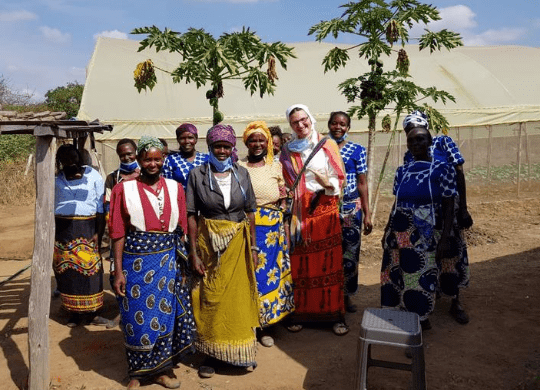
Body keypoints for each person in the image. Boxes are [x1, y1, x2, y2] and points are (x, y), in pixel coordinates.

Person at [109, 136, 195, 389]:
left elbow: (180, 230)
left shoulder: (175, 187)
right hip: (135, 263)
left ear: (163, 159)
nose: (153, 164)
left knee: (165, 317)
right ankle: (137, 372)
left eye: (158, 159)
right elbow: (117, 232)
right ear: (139, 159)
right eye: (148, 159)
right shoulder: (122, 189)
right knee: (136, 319)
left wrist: (182, 265)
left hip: (168, 261)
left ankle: (162, 370)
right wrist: (118, 271)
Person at [186, 124, 259, 377]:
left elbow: (250, 212)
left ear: (232, 148)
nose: (222, 150)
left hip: (238, 245)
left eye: (226, 146)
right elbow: (191, 215)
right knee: (211, 296)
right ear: (210, 147)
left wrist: (253, 247)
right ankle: (210, 354)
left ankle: (240, 353)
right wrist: (194, 252)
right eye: (217, 146)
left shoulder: (241, 174)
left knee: (239, 297)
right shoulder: (197, 175)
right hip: (209, 245)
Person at [279, 104, 348, 336]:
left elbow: (340, 178)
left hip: (324, 210)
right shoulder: (287, 151)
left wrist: (327, 183)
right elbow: (284, 181)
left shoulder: (326, 144)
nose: (300, 125)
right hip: (299, 213)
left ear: (310, 118)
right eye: (294, 122)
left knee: (329, 263)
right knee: (300, 264)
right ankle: (301, 314)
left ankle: (335, 316)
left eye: (303, 120)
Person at [381, 126, 456, 330]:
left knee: (420, 275)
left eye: (421, 139)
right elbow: (397, 202)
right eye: (411, 140)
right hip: (399, 230)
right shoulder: (402, 171)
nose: (415, 144)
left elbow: (449, 205)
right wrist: (387, 231)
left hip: (425, 233)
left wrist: (446, 237)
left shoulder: (443, 169)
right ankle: (402, 317)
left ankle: (419, 323)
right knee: (397, 274)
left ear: (430, 142)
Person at [402, 111, 471, 324]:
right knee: (427, 253)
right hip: (423, 214)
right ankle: (430, 294)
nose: (413, 132)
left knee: (450, 251)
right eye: (408, 130)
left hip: (448, 207)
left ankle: (454, 301)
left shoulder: (443, 142)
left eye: (416, 126)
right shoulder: (409, 153)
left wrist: (464, 208)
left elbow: (459, 173)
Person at [238, 121, 295, 348]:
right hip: (247, 226)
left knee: (270, 274)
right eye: (253, 140)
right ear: (247, 143)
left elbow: (285, 196)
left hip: (272, 228)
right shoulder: (238, 166)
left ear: (268, 142)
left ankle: (268, 324)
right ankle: (252, 322)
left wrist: (285, 222)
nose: (258, 144)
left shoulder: (276, 165)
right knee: (249, 274)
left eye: (262, 140)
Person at [54, 143, 111, 328]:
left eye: (73, 158)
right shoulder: (56, 180)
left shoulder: (92, 175)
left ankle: (94, 313)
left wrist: (98, 233)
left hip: (87, 229)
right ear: (60, 162)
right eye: (65, 160)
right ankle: (74, 313)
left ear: (79, 157)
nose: (71, 162)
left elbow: (100, 208)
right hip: (63, 231)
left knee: (91, 269)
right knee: (67, 270)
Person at [327, 111, 373, 313]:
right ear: (329, 125)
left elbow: (362, 183)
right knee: (329, 253)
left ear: (348, 127)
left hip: (351, 209)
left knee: (350, 253)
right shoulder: (321, 148)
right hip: (326, 207)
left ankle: (346, 297)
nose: (338, 127)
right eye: (334, 123)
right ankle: (329, 296)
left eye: (343, 124)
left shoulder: (357, 150)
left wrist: (367, 213)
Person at [162, 123, 209, 190]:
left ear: (196, 139)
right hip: (180, 199)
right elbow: (167, 185)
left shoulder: (206, 159)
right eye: (182, 138)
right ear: (178, 140)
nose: (187, 141)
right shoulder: (170, 160)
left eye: (190, 138)